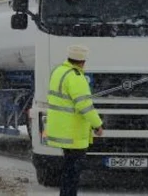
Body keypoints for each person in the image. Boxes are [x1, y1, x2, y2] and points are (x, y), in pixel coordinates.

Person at [45, 44, 104, 196]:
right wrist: (98, 124)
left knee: (68, 168)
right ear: (82, 61)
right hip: (73, 133)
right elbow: (85, 106)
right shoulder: (76, 77)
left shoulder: (59, 71)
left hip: (61, 129)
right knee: (73, 172)